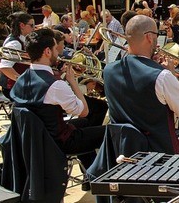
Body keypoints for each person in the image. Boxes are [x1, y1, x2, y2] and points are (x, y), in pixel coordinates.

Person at [104, 15, 179, 157]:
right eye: (157, 35)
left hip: (124, 151)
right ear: (149, 37)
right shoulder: (162, 76)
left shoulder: (108, 71)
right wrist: (173, 75)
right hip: (159, 153)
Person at [10, 28, 107, 183]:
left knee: (87, 124)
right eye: (56, 48)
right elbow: (84, 111)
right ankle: (102, 179)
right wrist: (72, 82)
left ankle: (89, 173)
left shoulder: (22, 78)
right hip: (58, 142)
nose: (58, 53)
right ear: (48, 51)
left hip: (38, 138)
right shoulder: (55, 85)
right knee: (114, 132)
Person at [0, 12, 34, 98]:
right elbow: (4, 67)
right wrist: (22, 81)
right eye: (31, 25)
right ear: (22, 25)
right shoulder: (14, 43)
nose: (33, 28)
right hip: (12, 87)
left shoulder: (21, 39)